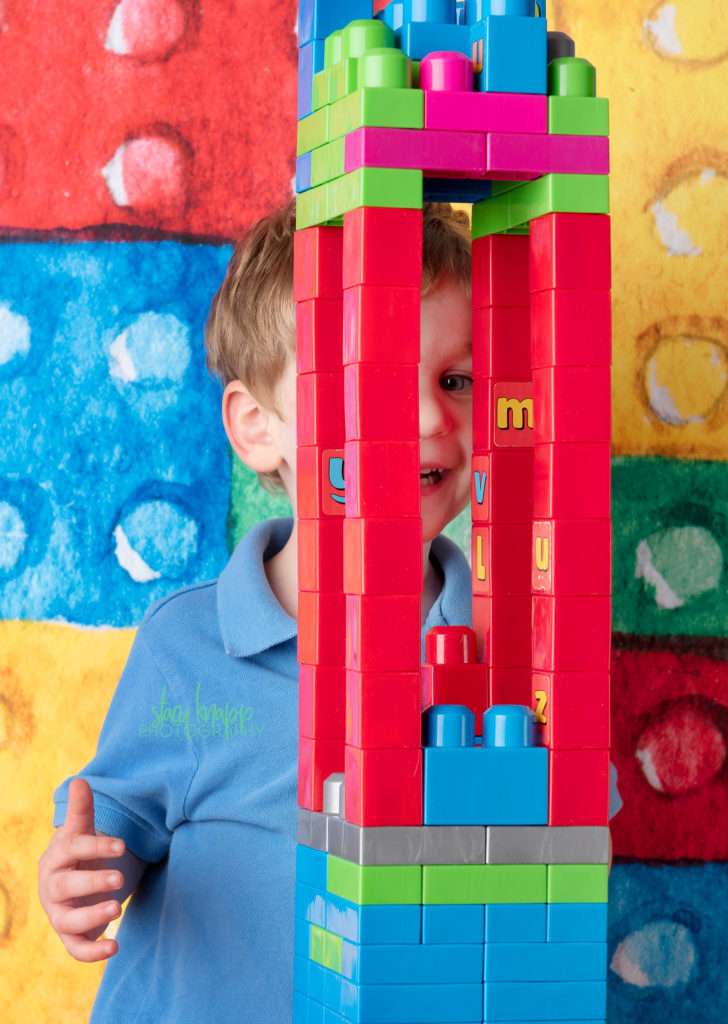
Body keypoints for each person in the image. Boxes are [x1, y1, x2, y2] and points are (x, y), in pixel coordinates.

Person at [39, 201, 484, 1023]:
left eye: (455, 379)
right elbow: (115, 822)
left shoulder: (507, 652)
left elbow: (562, 853)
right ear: (259, 427)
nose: (430, 419)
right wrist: (82, 877)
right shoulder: (189, 643)